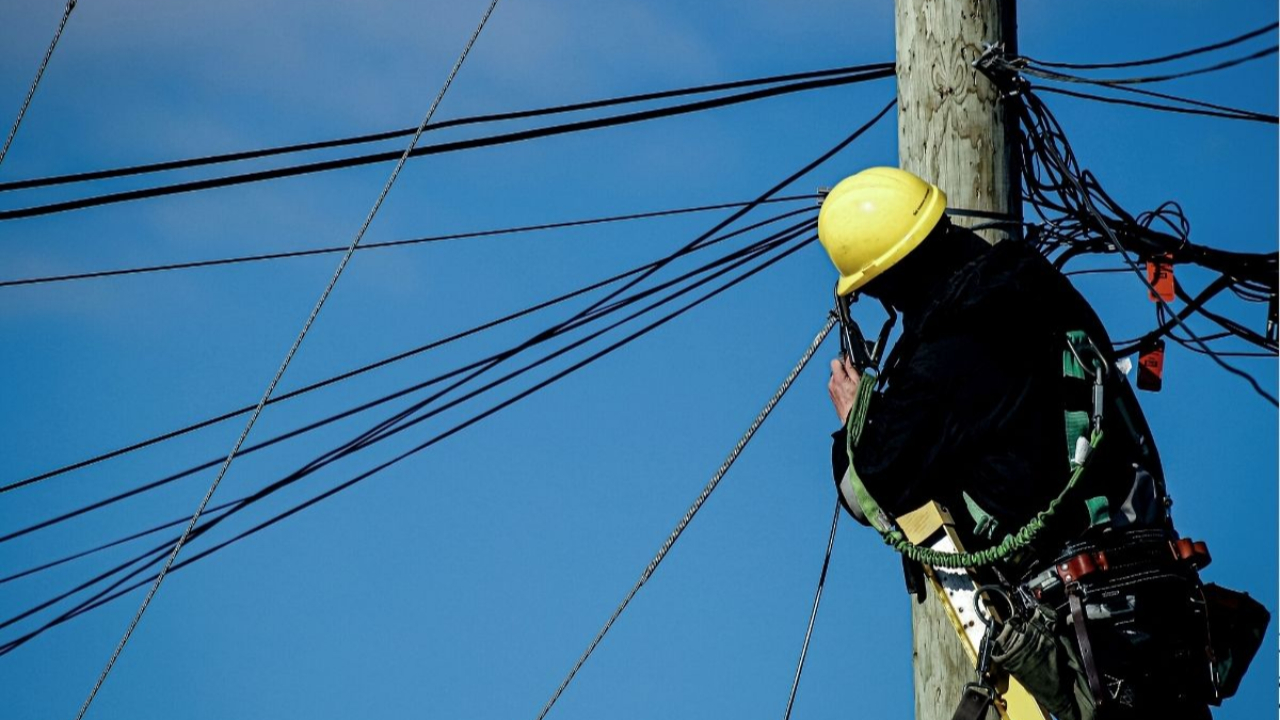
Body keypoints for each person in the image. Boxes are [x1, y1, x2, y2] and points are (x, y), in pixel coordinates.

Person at [816, 167, 1251, 720]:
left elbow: (868, 489)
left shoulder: (946, 354)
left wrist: (856, 420)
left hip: (1082, 634)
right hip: (1159, 607)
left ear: (883, 284)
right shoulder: (1039, 285)